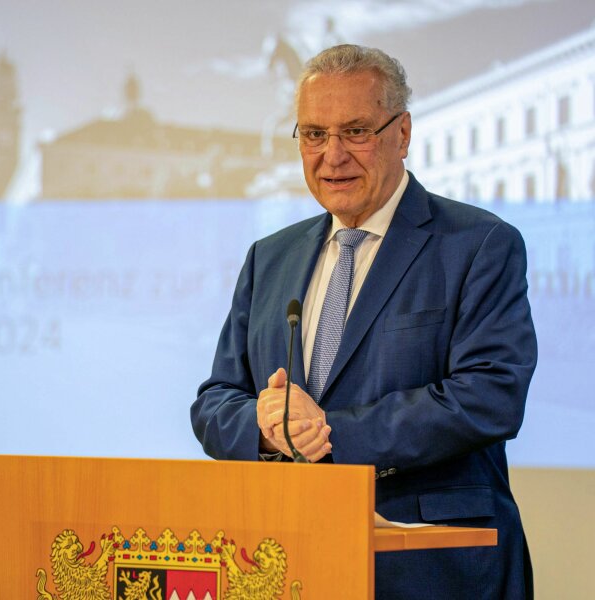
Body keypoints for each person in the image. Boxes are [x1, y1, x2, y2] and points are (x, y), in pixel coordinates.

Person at [191, 44, 537, 599]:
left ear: (402, 134)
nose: (333, 156)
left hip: (434, 566)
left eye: (356, 131)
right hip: (290, 558)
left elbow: (490, 394)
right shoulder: (269, 257)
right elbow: (215, 401)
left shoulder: (479, 244)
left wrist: (329, 433)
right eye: (313, 134)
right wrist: (267, 424)